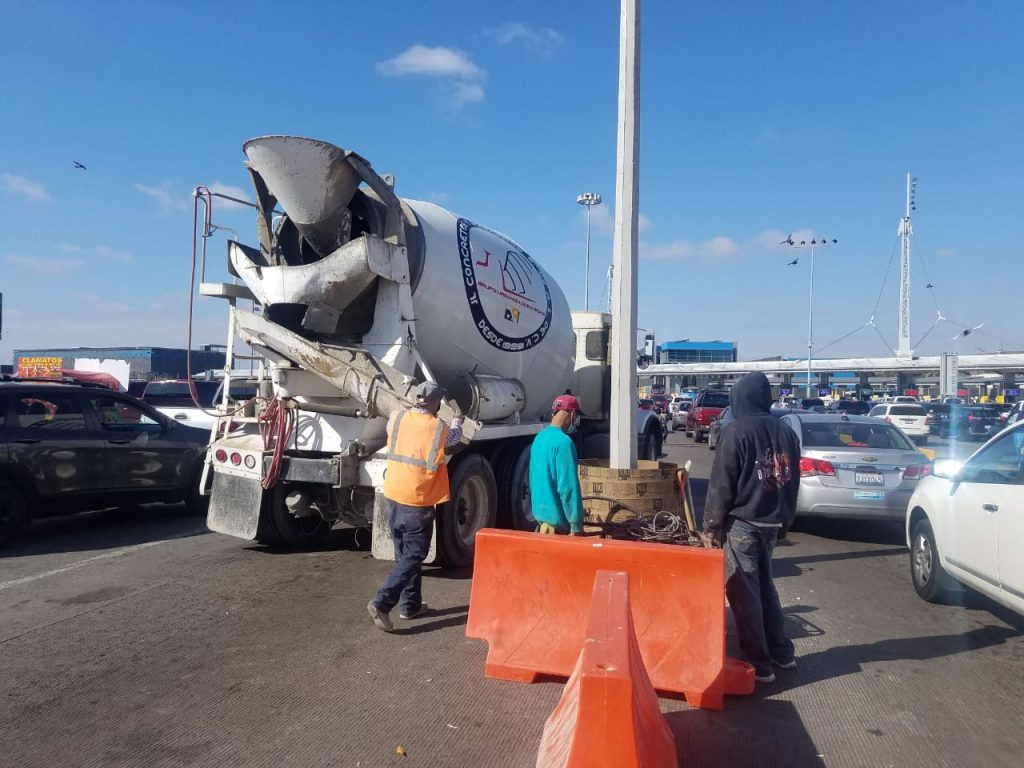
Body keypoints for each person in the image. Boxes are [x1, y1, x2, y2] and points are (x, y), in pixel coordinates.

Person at [702, 372, 801, 684]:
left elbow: (721, 485)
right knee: (765, 588)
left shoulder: (735, 432)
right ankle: (782, 653)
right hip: (772, 521)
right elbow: (792, 481)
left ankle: (760, 664)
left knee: (745, 593)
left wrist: (711, 526)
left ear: (739, 398)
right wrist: (786, 519)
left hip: (743, 523)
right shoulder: (786, 432)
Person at [367, 382, 463, 632]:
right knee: (414, 555)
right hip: (417, 500)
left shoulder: (396, 418)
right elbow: (455, 438)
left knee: (404, 554)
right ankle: (383, 602)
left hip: (394, 495)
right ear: (435, 403)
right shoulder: (439, 428)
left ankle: (410, 605)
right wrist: (458, 420)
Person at [528, 394, 585, 535]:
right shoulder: (564, 442)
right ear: (572, 414)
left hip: (541, 525)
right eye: (576, 416)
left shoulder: (539, 438)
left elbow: (533, 479)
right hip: (558, 529)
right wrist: (576, 526)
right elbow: (567, 487)